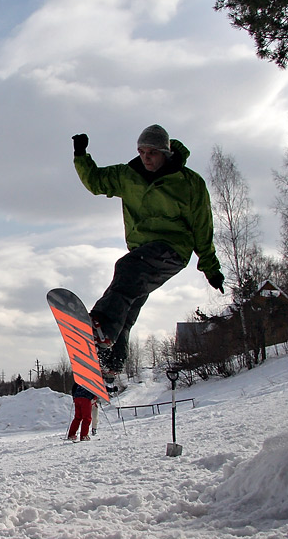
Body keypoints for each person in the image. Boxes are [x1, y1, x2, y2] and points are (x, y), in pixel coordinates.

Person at [72, 125, 224, 376]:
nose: (146, 158)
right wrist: (81, 155)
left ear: (166, 152)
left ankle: (101, 328)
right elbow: (97, 182)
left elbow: (202, 226)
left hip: (172, 250)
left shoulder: (189, 183)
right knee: (128, 300)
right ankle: (111, 360)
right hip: (143, 251)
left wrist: (211, 267)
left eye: (152, 153)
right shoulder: (128, 175)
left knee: (127, 268)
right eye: (141, 152)